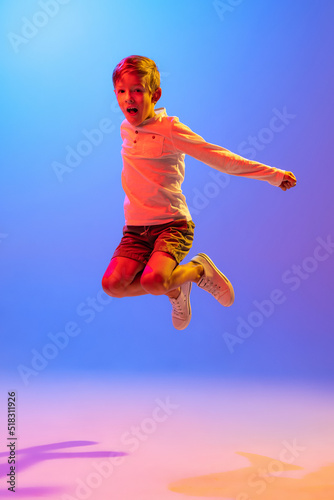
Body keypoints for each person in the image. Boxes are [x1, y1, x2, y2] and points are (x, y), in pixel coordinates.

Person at [101, 55, 296, 330]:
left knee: (152, 280)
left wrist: (273, 175)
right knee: (112, 285)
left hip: (172, 226)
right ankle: (175, 289)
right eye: (122, 91)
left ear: (154, 94)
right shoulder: (125, 128)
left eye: (137, 90)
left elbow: (221, 158)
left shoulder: (170, 129)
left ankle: (198, 270)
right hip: (135, 230)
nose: (128, 98)